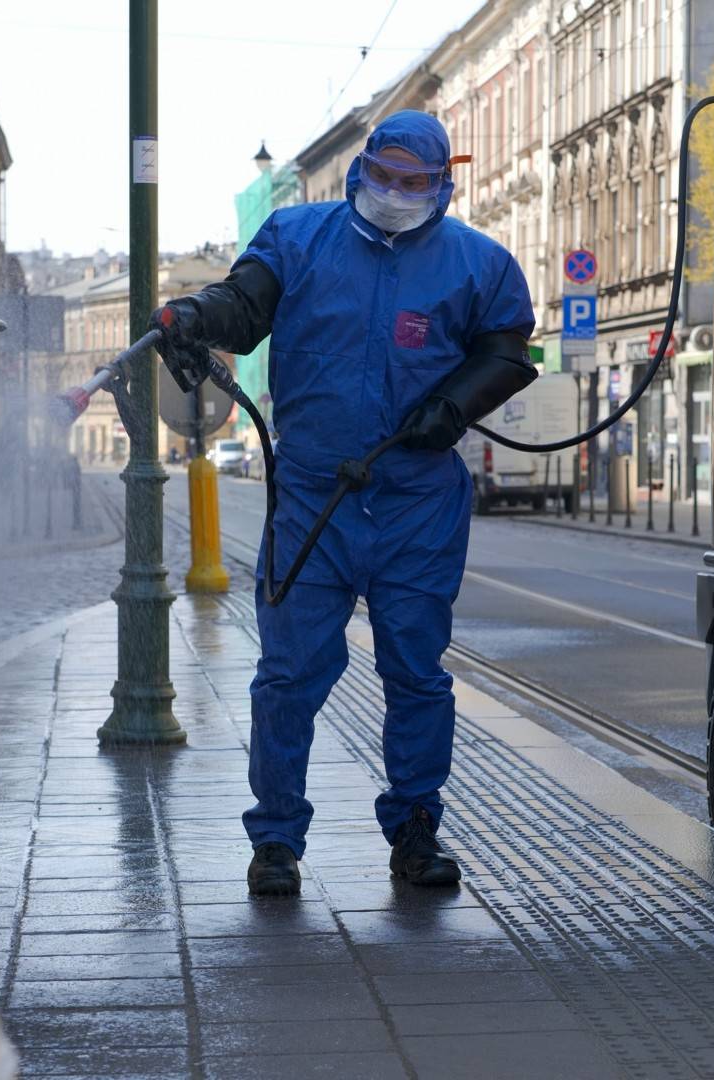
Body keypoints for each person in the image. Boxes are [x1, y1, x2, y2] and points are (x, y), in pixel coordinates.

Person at [153, 111, 537, 895]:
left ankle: (416, 828)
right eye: (383, 177)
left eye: (414, 183)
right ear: (360, 170)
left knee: (416, 671)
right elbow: (245, 304)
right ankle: (276, 840)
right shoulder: (298, 239)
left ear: (442, 186)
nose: (395, 194)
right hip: (313, 495)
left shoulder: (479, 265)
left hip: (416, 499)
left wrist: (455, 406)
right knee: (289, 672)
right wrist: (196, 316)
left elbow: (505, 351)